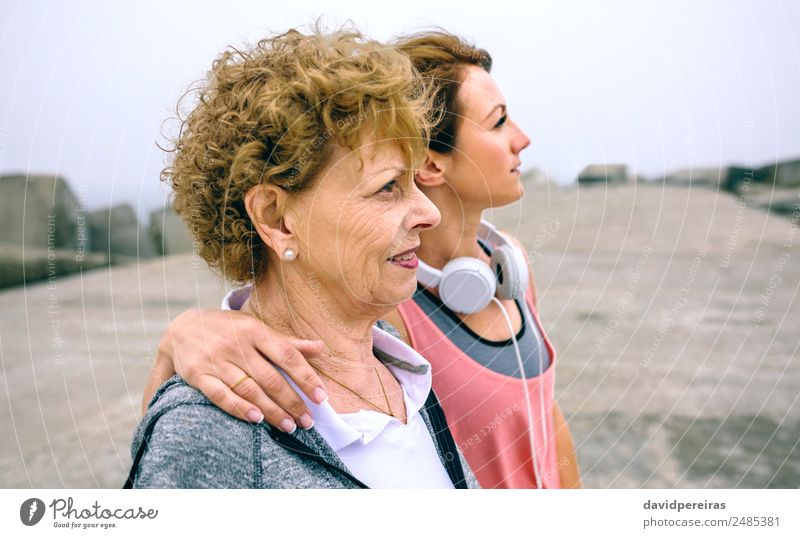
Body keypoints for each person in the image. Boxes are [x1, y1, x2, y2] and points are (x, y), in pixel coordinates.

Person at [143, 29, 581, 489]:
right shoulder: (203, 431)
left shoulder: (401, 373)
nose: (428, 211)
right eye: (388, 187)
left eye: (412, 181)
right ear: (276, 218)